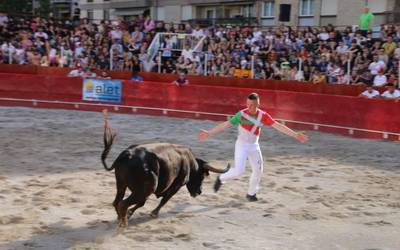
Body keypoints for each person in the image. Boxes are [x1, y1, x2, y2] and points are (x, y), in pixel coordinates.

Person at [197, 93, 308, 202]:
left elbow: (278, 126)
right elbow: (226, 125)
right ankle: (221, 178)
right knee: (239, 171)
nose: (249, 107)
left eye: (252, 105)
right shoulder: (241, 115)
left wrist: (295, 134)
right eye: (247, 104)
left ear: (258, 105)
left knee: (258, 170)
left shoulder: (263, 115)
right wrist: (209, 133)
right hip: (241, 145)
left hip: (254, 146)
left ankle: (251, 194)